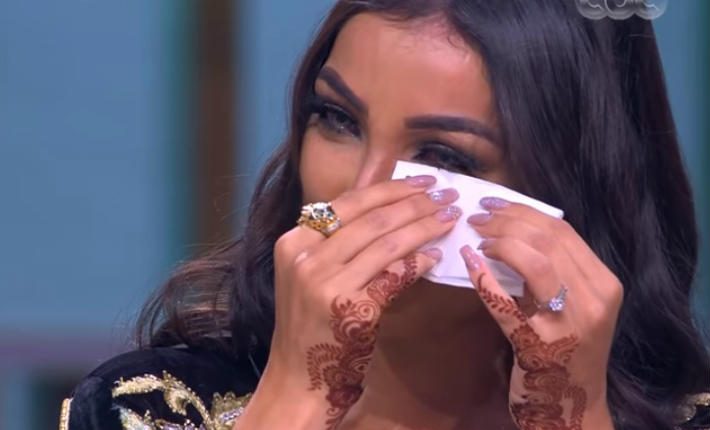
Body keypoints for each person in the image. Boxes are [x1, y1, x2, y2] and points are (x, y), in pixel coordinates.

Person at [60, 1, 710, 429]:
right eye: (337, 119)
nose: (363, 189)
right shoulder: (153, 406)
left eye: (444, 157)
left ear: (564, 194)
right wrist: (294, 399)